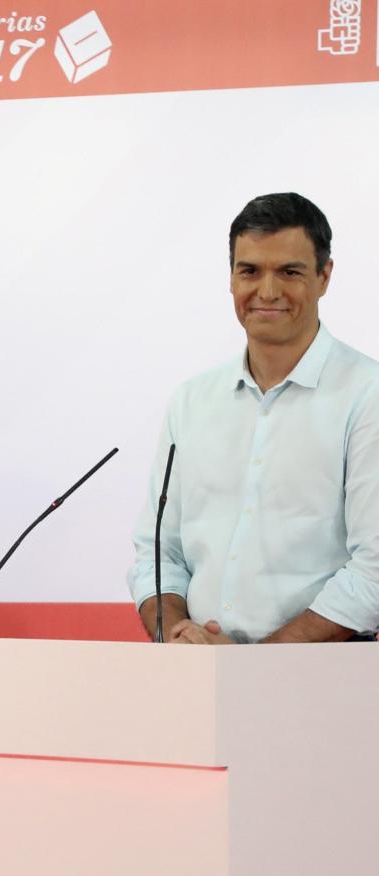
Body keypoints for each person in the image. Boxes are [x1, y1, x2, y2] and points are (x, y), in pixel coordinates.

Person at [130, 193, 379, 643]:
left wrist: (253, 667)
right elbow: (156, 553)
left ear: (325, 277)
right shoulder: (191, 401)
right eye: (250, 271)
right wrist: (178, 636)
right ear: (230, 278)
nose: (267, 291)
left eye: (289, 271)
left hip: (326, 684)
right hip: (194, 678)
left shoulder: (367, 395)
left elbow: (374, 571)